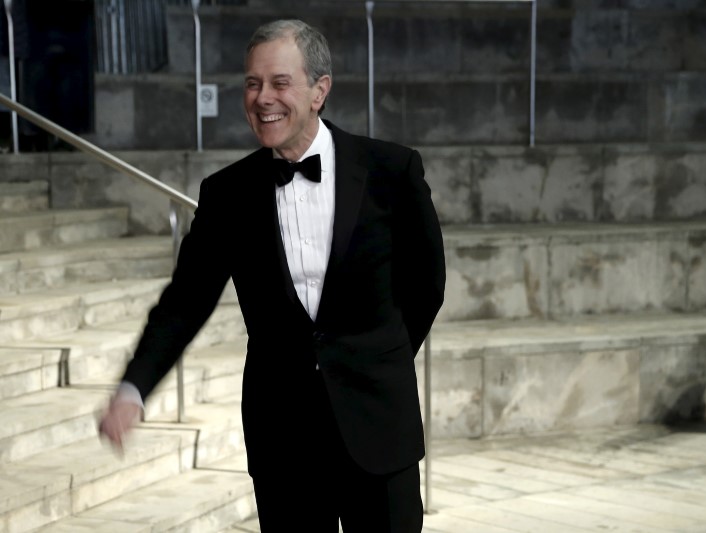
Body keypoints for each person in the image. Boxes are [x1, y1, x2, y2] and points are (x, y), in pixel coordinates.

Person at [97, 18, 446, 533]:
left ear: (319, 90)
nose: (264, 98)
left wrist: (379, 357)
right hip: (282, 438)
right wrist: (133, 388)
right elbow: (185, 301)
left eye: (280, 82)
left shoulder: (392, 171)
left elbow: (426, 286)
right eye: (253, 83)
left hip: (378, 423)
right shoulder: (227, 194)